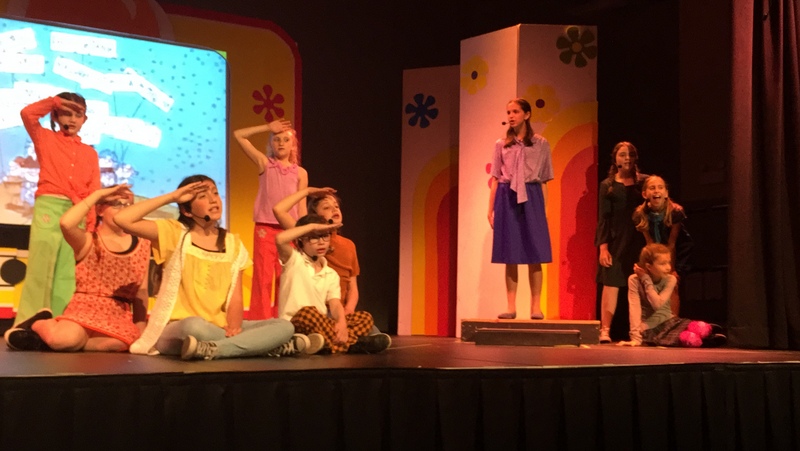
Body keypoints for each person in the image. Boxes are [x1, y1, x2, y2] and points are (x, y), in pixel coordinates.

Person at [114, 175, 319, 360]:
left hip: (219, 327)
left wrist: (235, 326)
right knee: (194, 326)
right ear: (186, 210)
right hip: (178, 328)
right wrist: (173, 197)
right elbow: (122, 219)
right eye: (203, 196)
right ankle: (265, 346)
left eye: (215, 193)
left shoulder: (232, 243)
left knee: (284, 326)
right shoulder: (174, 233)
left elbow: (236, 297)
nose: (214, 200)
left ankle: (217, 349)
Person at [4, 184, 150, 352]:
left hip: (116, 315)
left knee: (117, 344)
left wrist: (141, 326)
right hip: (84, 309)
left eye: (129, 205)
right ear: (100, 210)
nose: (124, 209)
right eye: (117, 204)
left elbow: (141, 291)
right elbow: (66, 223)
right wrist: (97, 195)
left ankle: (48, 342)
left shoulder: (143, 243)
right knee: (65, 340)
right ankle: (39, 323)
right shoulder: (88, 240)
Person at [15, 93, 101, 325]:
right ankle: (29, 324)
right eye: (66, 113)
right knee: (40, 266)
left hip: (77, 211)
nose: (72, 119)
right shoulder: (45, 138)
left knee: (67, 272)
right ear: (55, 116)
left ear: (85, 119)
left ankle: (61, 325)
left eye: (78, 115)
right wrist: (55, 102)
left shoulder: (90, 153)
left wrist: (91, 226)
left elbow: (94, 190)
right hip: (49, 206)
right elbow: (27, 114)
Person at [276, 214, 391, 354]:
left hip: (321, 324)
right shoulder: (294, 260)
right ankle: (355, 344)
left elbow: (335, 304)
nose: (321, 242)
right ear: (301, 240)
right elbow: (280, 239)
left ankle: (323, 343)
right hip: (298, 322)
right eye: (314, 237)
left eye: (325, 236)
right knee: (308, 313)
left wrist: (341, 323)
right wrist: (313, 227)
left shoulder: (331, 274)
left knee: (365, 318)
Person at [233, 121, 308, 320]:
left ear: (293, 145)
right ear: (271, 143)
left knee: (285, 277)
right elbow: (239, 135)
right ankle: (261, 321)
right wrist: (268, 127)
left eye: (285, 140)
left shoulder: (300, 173)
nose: (281, 143)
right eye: (276, 139)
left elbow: (301, 206)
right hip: (265, 228)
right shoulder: (264, 163)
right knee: (263, 277)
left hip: (290, 229)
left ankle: (285, 320)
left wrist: (303, 233)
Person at [488, 98, 553, 320]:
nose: (511, 116)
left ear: (527, 114)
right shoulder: (501, 144)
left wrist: (544, 210)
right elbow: (495, 178)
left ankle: (536, 306)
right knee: (510, 253)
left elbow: (544, 180)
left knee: (536, 252)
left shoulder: (540, 143)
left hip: (532, 195)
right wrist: (490, 208)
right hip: (507, 196)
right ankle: (511, 306)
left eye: (515, 111)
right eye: (508, 112)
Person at [618, 244, 724, 347]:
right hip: (650, 327)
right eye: (662, 264)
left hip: (669, 322)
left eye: (669, 262)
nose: (668, 267)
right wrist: (635, 337)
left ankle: (707, 332)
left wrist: (646, 280)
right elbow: (635, 309)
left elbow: (659, 305)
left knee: (699, 327)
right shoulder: (634, 280)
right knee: (689, 338)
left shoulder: (670, 279)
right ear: (649, 266)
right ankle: (706, 340)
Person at [595, 141, 647, 343]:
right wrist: (603, 247)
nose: (627, 158)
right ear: (615, 158)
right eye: (622, 154)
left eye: (630, 155)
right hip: (617, 239)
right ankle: (605, 330)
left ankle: (643, 331)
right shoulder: (608, 185)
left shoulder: (644, 182)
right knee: (611, 282)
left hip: (640, 238)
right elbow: (603, 218)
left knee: (642, 283)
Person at [631, 175, 692, 315]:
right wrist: (648, 266)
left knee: (672, 283)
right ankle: (654, 321)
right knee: (651, 282)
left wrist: (671, 269)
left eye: (660, 187)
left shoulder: (675, 212)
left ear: (666, 193)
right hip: (655, 250)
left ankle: (673, 320)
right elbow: (649, 243)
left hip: (677, 251)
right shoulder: (640, 214)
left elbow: (672, 243)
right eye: (652, 188)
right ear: (645, 194)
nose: (656, 191)